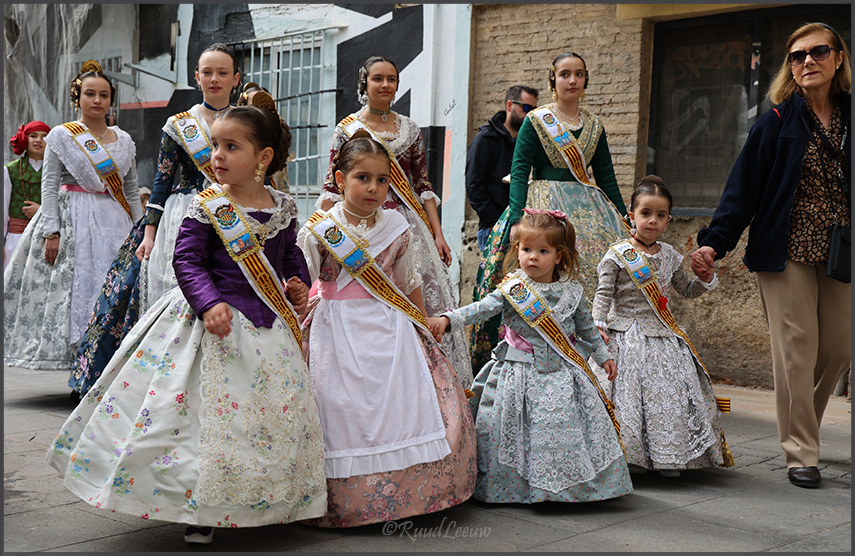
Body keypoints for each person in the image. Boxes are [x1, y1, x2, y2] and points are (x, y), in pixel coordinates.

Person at [46, 95, 326, 544]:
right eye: (215, 146)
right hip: (208, 323)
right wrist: (208, 301)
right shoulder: (207, 204)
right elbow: (187, 260)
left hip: (266, 328)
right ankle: (200, 508)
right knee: (199, 417)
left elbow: (290, 254)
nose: (217, 156)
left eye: (231, 147)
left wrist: (297, 280)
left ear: (264, 157)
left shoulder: (283, 206)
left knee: (263, 417)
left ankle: (266, 500)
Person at [691, 22, 851, 489]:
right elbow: (743, 191)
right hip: (786, 251)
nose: (807, 61)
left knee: (840, 347)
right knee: (796, 352)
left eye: (818, 52)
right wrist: (714, 242)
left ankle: (807, 425)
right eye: (797, 56)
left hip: (840, 249)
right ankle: (801, 451)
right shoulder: (777, 122)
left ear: (838, 58)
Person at [297, 134, 476, 527]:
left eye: (382, 180)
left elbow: (407, 281)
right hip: (333, 327)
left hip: (389, 326)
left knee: (405, 401)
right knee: (339, 406)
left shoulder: (397, 225)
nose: (374, 188)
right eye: (363, 178)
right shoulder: (319, 229)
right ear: (340, 180)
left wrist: (423, 321)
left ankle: (407, 496)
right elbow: (299, 281)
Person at [70, 43, 241, 397]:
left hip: (234, 214)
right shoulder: (179, 125)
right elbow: (162, 182)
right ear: (196, 77)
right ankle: (168, 380)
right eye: (207, 72)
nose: (214, 79)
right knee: (177, 297)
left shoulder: (248, 123)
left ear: (236, 79)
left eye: (223, 72)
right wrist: (149, 234)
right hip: (183, 216)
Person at [428, 209, 631, 503]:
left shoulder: (572, 292)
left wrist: (603, 356)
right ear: (517, 250)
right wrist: (448, 319)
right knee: (511, 433)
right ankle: (513, 489)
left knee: (559, 433)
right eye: (526, 249)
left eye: (542, 250)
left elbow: (587, 329)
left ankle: (565, 488)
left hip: (562, 375)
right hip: (516, 372)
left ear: (559, 256)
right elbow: (481, 309)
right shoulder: (513, 289)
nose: (532, 257)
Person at [317, 55, 473, 388]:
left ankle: (429, 376)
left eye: (391, 79)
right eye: (378, 79)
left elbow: (423, 185)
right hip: (357, 225)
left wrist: (438, 234)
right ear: (364, 83)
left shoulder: (410, 130)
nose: (385, 85)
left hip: (405, 226)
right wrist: (324, 229)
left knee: (415, 292)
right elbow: (332, 186)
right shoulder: (346, 129)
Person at [470, 52, 630, 372]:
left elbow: (607, 177)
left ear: (585, 80)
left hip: (588, 211)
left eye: (579, 74)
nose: (572, 81)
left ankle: (591, 359)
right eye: (565, 74)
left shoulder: (595, 126)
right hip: (541, 206)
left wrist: (625, 219)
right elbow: (519, 170)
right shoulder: (536, 120)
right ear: (552, 79)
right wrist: (516, 219)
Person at [4, 60, 142, 374]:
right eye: (90, 94)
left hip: (115, 221)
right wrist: (51, 231)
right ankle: (79, 364)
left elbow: (131, 190)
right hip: (73, 217)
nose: (97, 100)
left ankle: (109, 361)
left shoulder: (124, 141)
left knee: (114, 287)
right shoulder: (61, 136)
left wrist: (141, 229)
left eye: (104, 95)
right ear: (76, 98)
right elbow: (49, 184)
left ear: (111, 99)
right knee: (75, 291)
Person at [593, 176, 732, 477]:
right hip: (626, 336)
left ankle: (669, 456)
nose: (652, 221)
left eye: (660, 215)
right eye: (645, 213)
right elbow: (602, 295)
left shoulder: (670, 255)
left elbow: (686, 290)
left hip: (664, 339)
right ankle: (633, 456)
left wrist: (706, 279)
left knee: (667, 398)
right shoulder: (617, 255)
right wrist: (598, 327)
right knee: (629, 397)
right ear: (631, 215)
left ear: (668, 219)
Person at [466, 85, 539, 252]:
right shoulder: (485, 139)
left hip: (524, 228)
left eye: (534, 110)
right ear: (509, 106)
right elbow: (474, 185)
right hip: (493, 228)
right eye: (526, 108)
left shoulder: (530, 143)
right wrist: (494, 222)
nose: (530, 115)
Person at [4, 120, 51, 267]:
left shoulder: (57, 173)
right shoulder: (9, 170)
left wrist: (41, 211)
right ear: (25, 139)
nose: (38, 140)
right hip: (16, 238)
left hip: (47, 239)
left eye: (44, 136)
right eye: (33, 136)